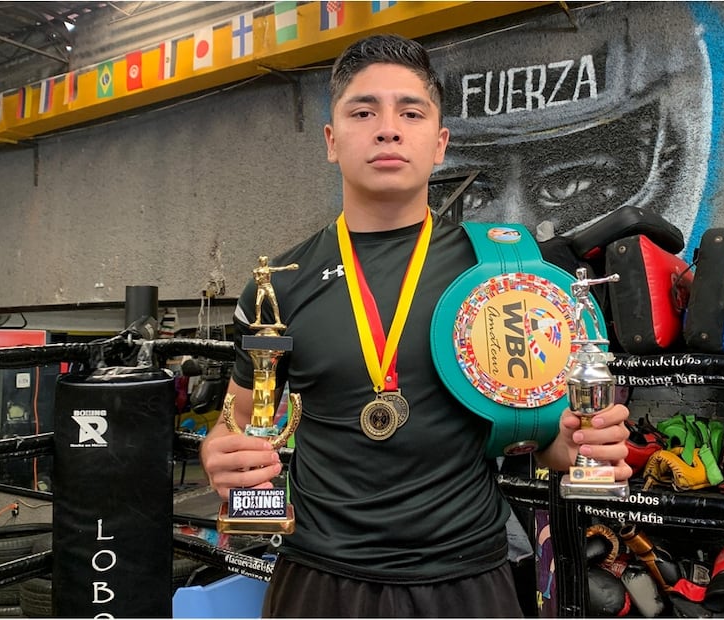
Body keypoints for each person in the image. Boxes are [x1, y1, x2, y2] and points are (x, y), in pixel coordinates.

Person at [200, 33, 632, 618]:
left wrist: (586, 442)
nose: (387, 128)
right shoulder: (279, 283)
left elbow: (551, 442)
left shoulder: (502, 268)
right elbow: (241, 422)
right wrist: (222, 454)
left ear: (440, 142)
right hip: (319, 578)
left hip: (467, 578)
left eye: (411, 111)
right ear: (332, 140)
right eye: (363, 111)